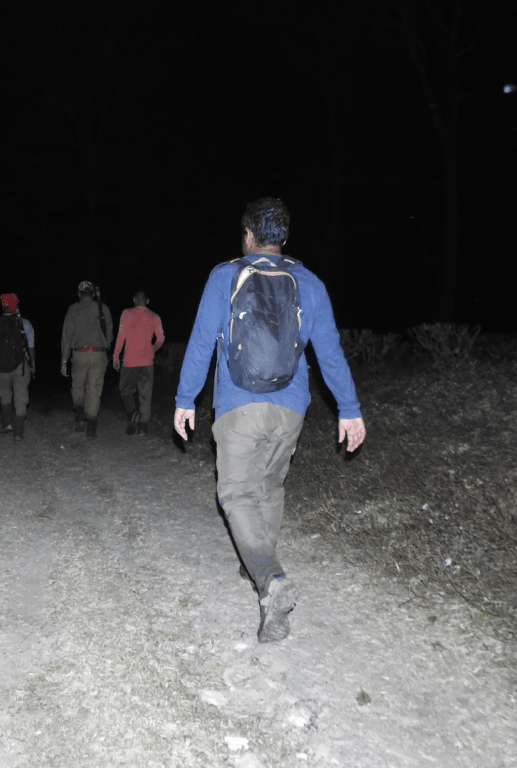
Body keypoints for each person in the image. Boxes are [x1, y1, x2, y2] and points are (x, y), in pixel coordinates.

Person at [173, 197, 366, 644]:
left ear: (247, 235)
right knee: (270, 487)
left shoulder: (225, 276)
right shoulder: (309, 282)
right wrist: (350, 409)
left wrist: (185, 399)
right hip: (291, 408)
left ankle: (270, 578)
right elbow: (330, 353)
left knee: (237, 493)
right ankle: (258, 564)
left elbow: (201, 343)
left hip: (239, 406)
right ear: (283, 237)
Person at [60, 281, 113, 439]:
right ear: (93, 293)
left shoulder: (73, 309)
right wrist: (105, 349)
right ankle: (91, 429)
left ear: (79, 294)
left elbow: (67, 336)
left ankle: (79, 420)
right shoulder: (103, 308)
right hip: (98, 354)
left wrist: (64, 360)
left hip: (79, 354)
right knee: (94, 390)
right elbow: (109, 334)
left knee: (78, 387)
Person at [0, 293, 36, 441]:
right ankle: (18, 432)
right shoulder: (25, 324)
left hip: (1, 367)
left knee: (5, 394)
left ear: (3, 306)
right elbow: (31, 347)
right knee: (21, 397)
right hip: (21, 367)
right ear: (16, 305)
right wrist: (32, 364)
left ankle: (7, 424)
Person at [113, 290, 165, 436]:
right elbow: (161, 339)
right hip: (147, 362)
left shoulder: (126, 313)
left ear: (134, 300)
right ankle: (143, 428)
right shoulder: (155, 316)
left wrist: (116, 356)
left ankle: (133, 413)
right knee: (145, 395)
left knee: (125, 391)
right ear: (147, 301)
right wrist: (152, 349)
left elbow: (121, 336)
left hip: (129, 361)